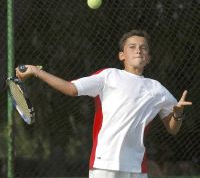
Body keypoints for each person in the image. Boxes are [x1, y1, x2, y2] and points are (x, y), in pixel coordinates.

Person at [16, 29, 192, 178]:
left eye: (143, 48)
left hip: (137, 167)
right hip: (104, 164)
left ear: (148, 58)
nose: (138, 50)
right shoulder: (109, 76)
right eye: (132, 47)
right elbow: (70, 88)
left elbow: (173, 128)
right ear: (122, 55)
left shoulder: (157, 89)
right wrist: (36, 72)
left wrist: (177, 113)